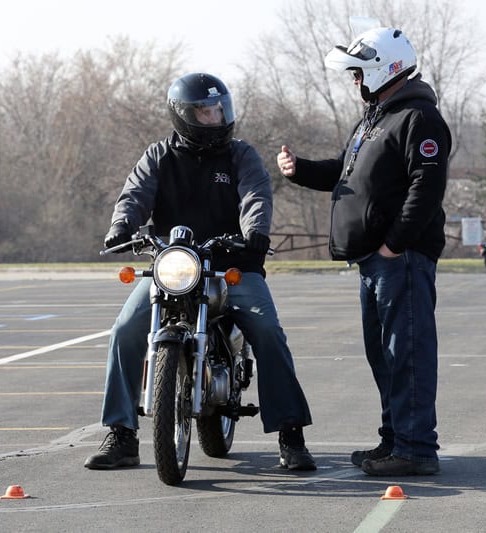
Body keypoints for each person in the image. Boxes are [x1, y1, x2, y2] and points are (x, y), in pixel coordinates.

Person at [84, 73, 316, 472]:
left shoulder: (241, 155)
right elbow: (135, 195)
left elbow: (255, 195)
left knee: (267, 331)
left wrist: (256, 232)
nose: (215, 118)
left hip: (232, 265)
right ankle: (122, 435)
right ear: (183, 115)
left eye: (219, 110)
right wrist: (121, 226)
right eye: (206, 112)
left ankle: (290, 433)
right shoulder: (159, 156)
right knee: (124, 330)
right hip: (174, 266)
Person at [276, 26, 449, 476]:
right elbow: (344, 173)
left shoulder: (418, 118)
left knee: (406, 352)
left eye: (358, 73)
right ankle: (395, 440)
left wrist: (396, 244)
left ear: (382, 68)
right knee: (385, 354)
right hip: (375, 261)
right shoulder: (376, 118)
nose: (354, 82)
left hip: (400, 260)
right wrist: (300, 172)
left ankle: (414, 450)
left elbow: (426, 188)